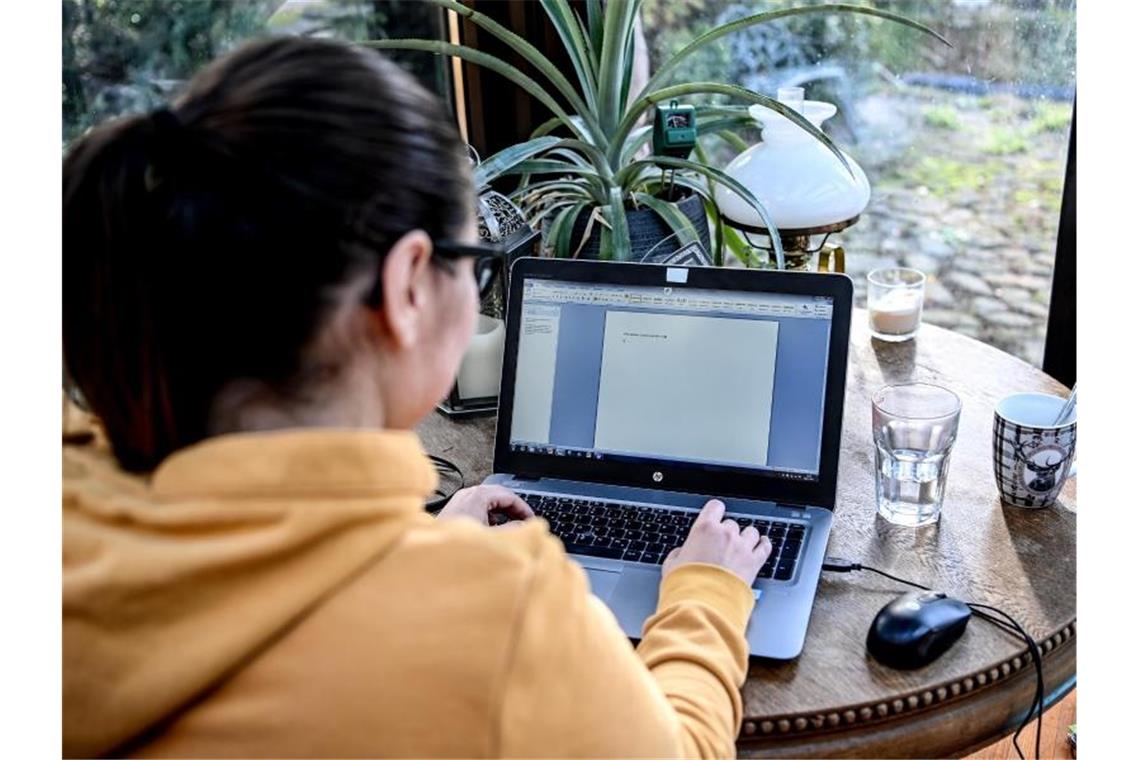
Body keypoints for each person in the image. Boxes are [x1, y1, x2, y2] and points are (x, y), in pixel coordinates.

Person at [63, 36, 772, 758]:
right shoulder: (502, 621)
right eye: (476, 263)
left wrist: (423, 545)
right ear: (407, 288)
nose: (478, 291)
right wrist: (705, 593)